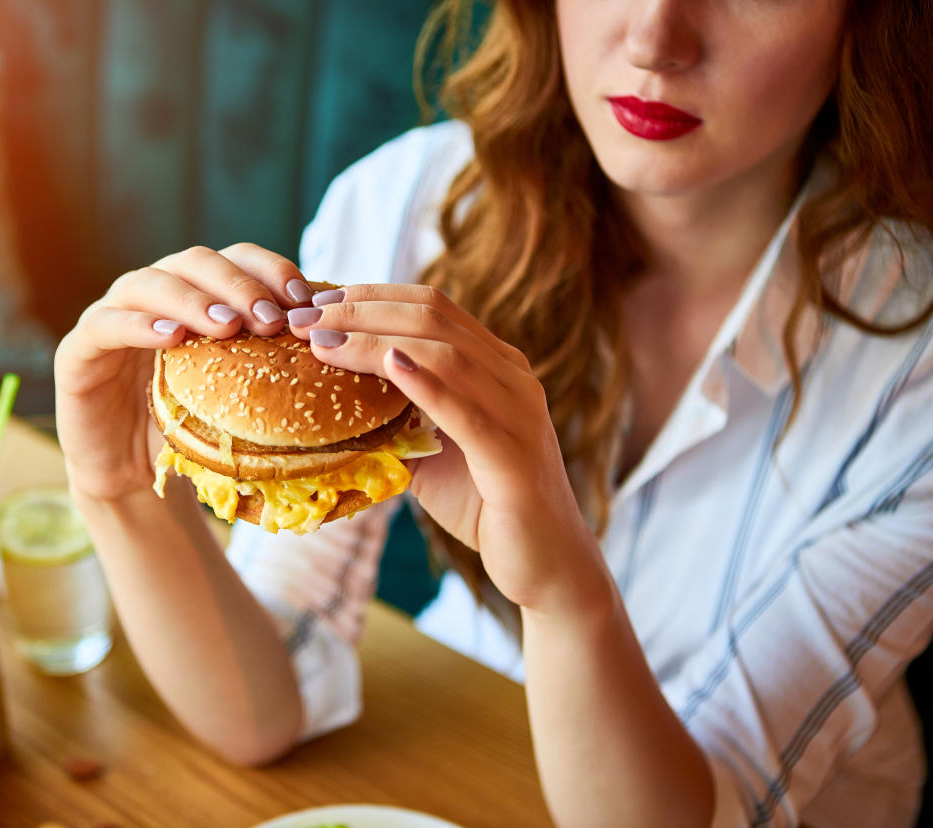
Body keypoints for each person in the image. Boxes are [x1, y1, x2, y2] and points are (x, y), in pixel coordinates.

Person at [53, 1, 933, 825]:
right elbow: (263, 707)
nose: (656, 39)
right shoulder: (413, 203)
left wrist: (561, 591)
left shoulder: (915, 381)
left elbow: (706, 800)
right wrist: (121, 486)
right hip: (465, 738)